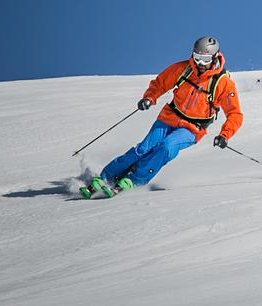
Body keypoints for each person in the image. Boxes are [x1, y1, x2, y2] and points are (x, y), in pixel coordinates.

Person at [84, 36, 243, 197]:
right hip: (169, 117)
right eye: (197, 58)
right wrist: (150, 97)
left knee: (166, 147)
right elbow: (160, 83)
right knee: (143, 148)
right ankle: (105, 177)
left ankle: (133, 179)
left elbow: (235, 114)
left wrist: (225, 135)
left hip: (193, 128)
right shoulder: (184, 69)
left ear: (215, 57)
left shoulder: (223, 83)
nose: (200, 64)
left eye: (205, 59)